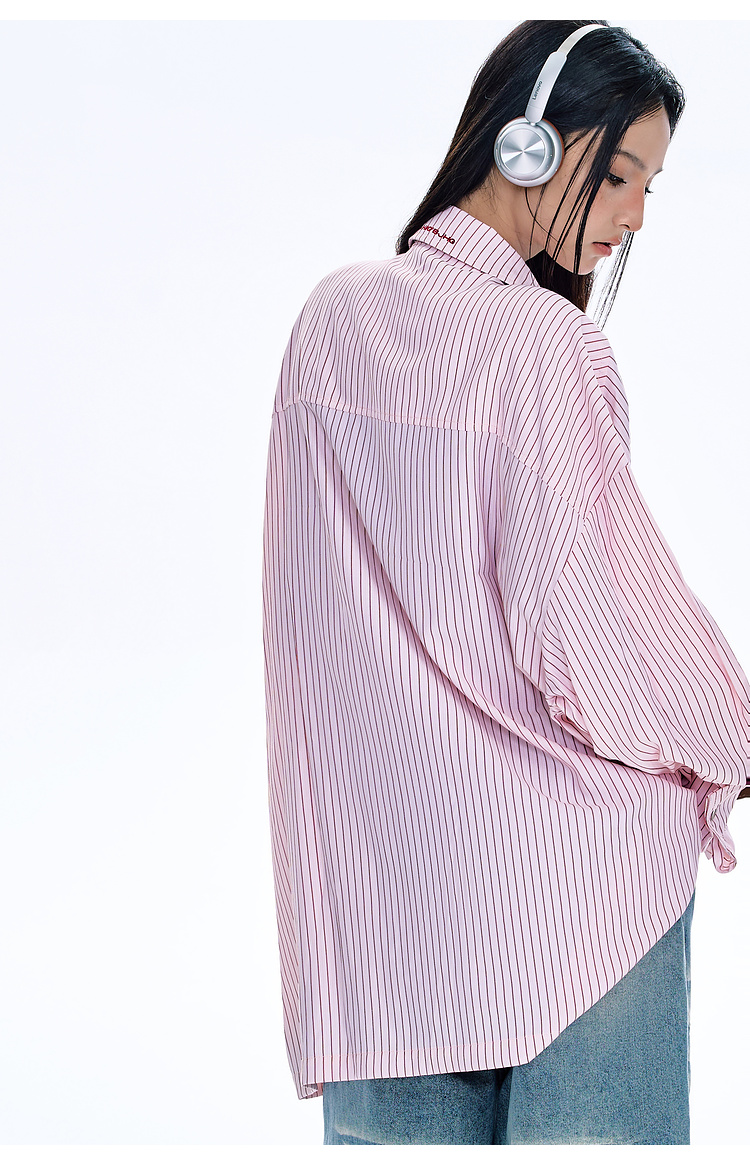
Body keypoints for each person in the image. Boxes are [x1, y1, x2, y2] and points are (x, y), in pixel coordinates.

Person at [261, 19, 750, 1145]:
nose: (635, 218)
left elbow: (300, 623)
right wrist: (726, 737)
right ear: (526, 143)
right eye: (619, 174)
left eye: (651, 187)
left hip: (384, 900)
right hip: (576, 900)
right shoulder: (548, 349)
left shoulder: (329, 319)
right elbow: (591, 632)